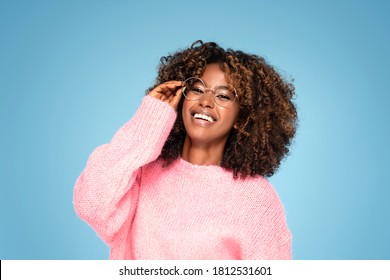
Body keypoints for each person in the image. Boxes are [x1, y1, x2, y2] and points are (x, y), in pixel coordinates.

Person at [73, 40, 298, 260]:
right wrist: (147, 124)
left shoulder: (256, 200)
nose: (206, 101)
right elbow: (90, 204)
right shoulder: (142, 173)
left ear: (242, 117)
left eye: (223, 95)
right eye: (198, 89)